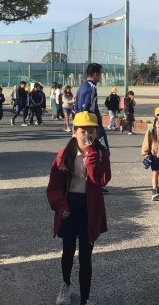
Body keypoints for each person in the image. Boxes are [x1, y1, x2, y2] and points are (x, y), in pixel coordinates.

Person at [46, 112, 111, 305]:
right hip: (69, 205)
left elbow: (100, 179)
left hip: (90, 207)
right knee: (67, 251)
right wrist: (60, 205)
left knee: (85, 256)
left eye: (92, 131)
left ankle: (85, 298)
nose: (88, 135)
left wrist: (91, 155)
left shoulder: (101, 154)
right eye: (83, 131)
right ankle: (66, 284)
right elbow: (54, 186)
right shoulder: (64, 155)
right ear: (74, 132)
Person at [74, 63, 110, 155]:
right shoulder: (91, 88)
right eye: (100, 74)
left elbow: (76, 105)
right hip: (91, 122)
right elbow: (88, 106)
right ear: (95, 74)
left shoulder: (81, 87)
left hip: (80, 122)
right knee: (102, 149)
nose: (101, 77)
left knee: (83, 148)